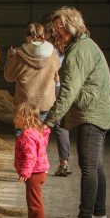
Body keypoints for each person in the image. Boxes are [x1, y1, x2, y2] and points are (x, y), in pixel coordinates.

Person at [44, 7, 110, 218]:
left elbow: (68, 91)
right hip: (98, 110)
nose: (56, 32)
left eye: (60, 28)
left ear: (72, 26)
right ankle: (99, 212)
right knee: (96, 165)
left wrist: (49, 120)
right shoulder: (84, 45)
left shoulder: (78, 51)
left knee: (88, 166)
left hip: (91, 114)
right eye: (54, 28)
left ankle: (85, 216)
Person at [3, 22, 60, 132]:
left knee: (23, 140)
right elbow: (57, 77)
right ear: (43, 34)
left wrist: (10, 57)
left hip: (25, 106)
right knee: (40, 140)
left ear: (27, 36)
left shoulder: (19, 54)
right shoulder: (53, 53)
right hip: (46, 103)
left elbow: (8, 77)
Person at [41, 13, 72, 177]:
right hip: (59, 86)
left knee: (41, 122)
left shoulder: (45, 46)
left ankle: (39, 161)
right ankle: (64, 163)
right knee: (61, 125)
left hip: (46, 87)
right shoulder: (65, 44)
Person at [14, 102, 50, 218]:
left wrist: (25, 171)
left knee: (34, 200)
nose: (14, 120)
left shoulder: (27, 135)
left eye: (16, 117)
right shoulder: (36, 131)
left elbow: (31, 156)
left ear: (25, 118)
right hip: (38, 171)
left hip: (34, 173)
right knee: (31, 199)